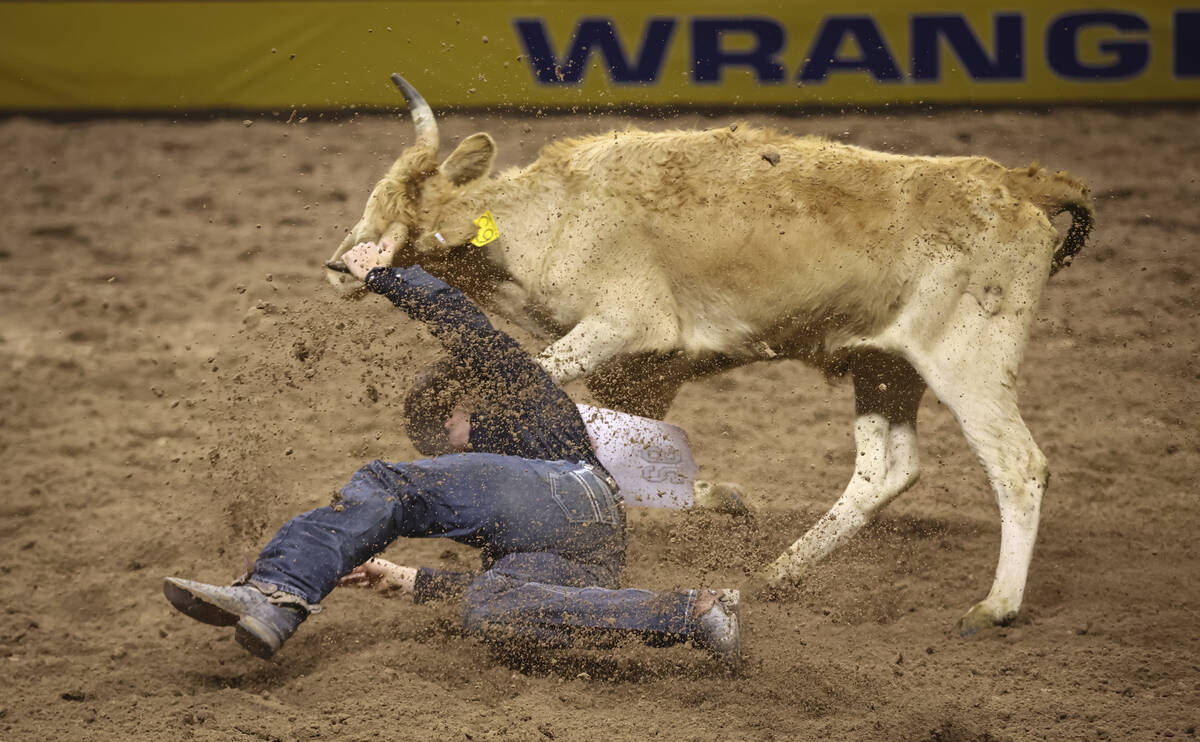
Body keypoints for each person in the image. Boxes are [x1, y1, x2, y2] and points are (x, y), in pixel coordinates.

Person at [163, 238, 740, 667]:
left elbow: (464, 323)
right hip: (593, 539)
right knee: (490, 608)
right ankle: (693, 612)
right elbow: (541, 591)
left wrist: (382, 276)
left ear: (458, 409)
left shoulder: (513, 390)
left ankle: (275, 591)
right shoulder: (523, 452)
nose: (437, 447)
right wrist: (412, 581)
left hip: (565, 490)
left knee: (390, 483)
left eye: (438, 431)